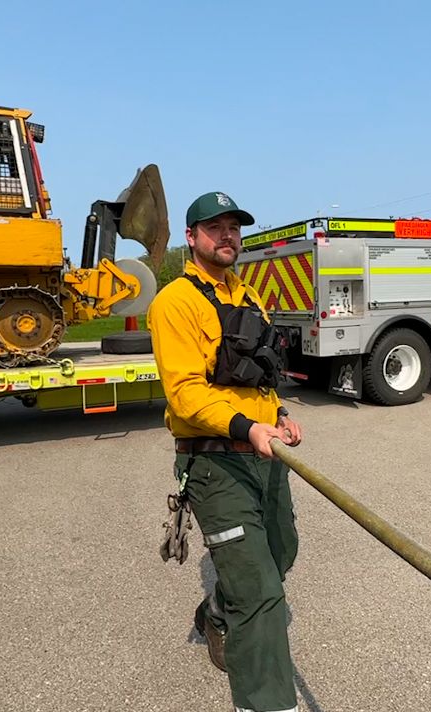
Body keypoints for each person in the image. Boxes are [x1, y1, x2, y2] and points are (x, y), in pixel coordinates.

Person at [147, 191, 304, 712]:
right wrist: (244, 426)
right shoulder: (175, 302)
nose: (227, 236)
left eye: (233, 227)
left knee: (281, 553)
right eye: (214, 227)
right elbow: (186, 394)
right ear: (190, 238)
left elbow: (262, 370)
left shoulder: (249, 296)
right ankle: (267, 703)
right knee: (261, 595)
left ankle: (217, 612)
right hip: (215, 462)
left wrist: (278, 414)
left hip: (263, 455)